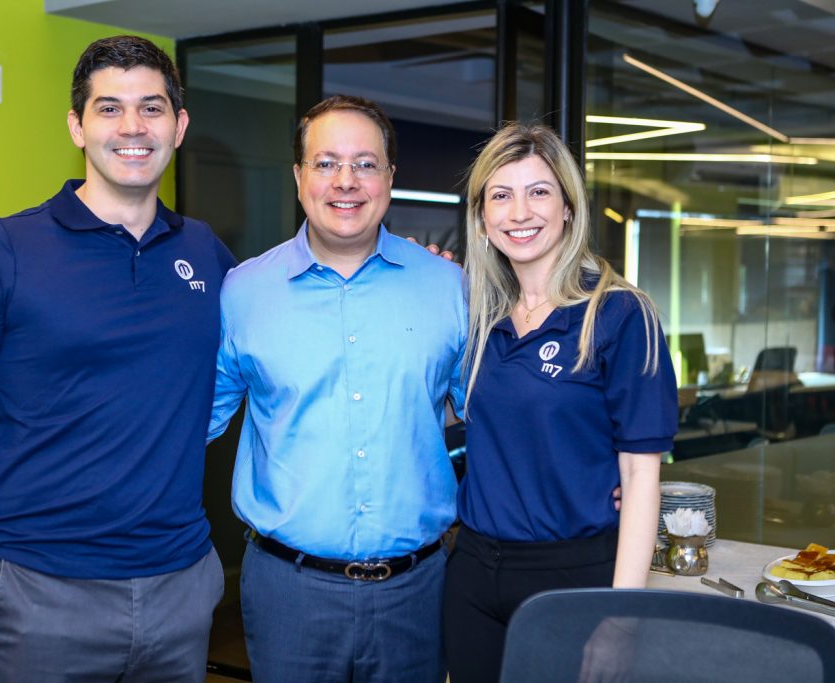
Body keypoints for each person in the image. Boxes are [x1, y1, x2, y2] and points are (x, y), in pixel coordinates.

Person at [0, 35, 235, 683]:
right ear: (77, 127)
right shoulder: (3, 249)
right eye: (109, 108)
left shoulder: (206, 254)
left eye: (152, 107)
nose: (133, 127)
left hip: (179, 587)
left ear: (179, 124)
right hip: (39, 591)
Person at [208, 95, 467, 683]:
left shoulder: (449, 288)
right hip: (288, 594)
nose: (345, 181)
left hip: (418, 592)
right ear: (299, 178)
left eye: (365, 164)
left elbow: (495, 416)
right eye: (325, 163)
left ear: (390, 178)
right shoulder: (242, 294)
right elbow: (188, 421)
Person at [441, 122, 678, 682]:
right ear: (481, 217)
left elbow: (642, 479)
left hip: (571, 577)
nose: (519, 211)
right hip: (473, 570)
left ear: (569, 207)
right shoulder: (479, 316)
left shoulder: (620, 315)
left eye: (539, 191)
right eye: (501, 195)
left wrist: (623, 619)